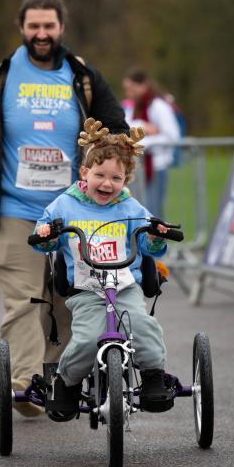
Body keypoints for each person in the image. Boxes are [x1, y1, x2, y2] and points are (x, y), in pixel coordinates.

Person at [0, 0, 128, 417]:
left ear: (61, 27)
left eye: (49, 25)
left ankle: (58, 381)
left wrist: (110, 171)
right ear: (22, 28)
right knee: (24, 301)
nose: (42, 33)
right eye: (34, 26)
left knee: (68, 301)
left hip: (76, 212)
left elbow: (117, 128)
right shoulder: (2, 77)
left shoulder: (83, 77)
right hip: (16, 211)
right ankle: (25, 385)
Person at [32, 118, 173, 419]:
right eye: (100, 175)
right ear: (85, 172)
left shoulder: (131, 208)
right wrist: (46, 234)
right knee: (86, 338)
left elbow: (148, 244)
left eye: (116, 178)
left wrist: (155, 236)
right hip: (86, 289)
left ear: (125, 180)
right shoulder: (65, 205)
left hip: (124, 286)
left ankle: (152, 376)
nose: (107, 184)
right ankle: (67, 383)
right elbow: (44, 236)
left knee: (142, 325)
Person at [121, 69, 181, 219]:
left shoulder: (159, 106)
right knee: (137, 211)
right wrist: (143, 127)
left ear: (142, 86)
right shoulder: (134, 107)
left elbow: (172, 136)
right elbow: (125, 127)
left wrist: (144, 141)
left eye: (131, 88)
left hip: (156, 166)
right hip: (137, 167)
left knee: (153, 212)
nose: (128, 93)